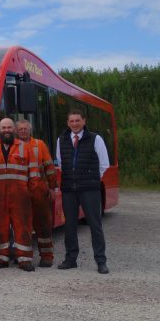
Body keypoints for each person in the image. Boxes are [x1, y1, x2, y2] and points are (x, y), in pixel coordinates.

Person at [55, 109, 111, 274]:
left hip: (90, 189)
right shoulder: (62, 139)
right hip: (69, 190)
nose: (74, 124)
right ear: (68, 123)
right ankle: (71, 259)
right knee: (70, 225)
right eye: (71, 121)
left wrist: (91, 178)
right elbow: (61, 162)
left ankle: (101, 261)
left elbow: (104, 164)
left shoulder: (95, 138)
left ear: (84, 121)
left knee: (95, 225)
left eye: (77, 120)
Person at [0, 118, 35, 271]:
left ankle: (24, 259)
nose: (6, 130)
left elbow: (33, 172)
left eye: (9, 127)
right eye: (3, 127)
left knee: (23, 226)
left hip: (20, 196)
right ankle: (1, 258)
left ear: (14, 130)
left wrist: (29, 192)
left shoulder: (25, 148)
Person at [16, 119, 58, 267]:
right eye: (20, 129)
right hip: (20, 191)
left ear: (30, 130)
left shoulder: (40, 145)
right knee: (23, 226)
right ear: (16, 131)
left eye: (25, 129)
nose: (23, 131)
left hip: (39, 190)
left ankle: (47, 256)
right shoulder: (13, 146)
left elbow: (49, 166)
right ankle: (24, 258)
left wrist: (53, 188)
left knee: (43, 224)